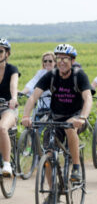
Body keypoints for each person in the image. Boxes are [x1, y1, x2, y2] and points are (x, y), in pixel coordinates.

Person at [22, 44, 93, 189]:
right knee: (48, 156)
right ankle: (52, 191)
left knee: (70, 126)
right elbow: (33, 97)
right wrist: (26, 116)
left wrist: (83, 118)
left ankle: (76, 167)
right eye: (58, 58)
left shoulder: (79, 75)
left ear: (72, 60)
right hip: (55, 119)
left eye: (65, 58)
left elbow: (88, 98)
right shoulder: (51, 75)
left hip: (76, 118)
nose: (61, 61)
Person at [0, 38, 19, 177]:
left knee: (2, 128)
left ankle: (7, 164)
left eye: (0, 51)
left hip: (8, 107)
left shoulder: (12, 69)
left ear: (7, 53)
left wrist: (13, 98)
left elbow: (14, 85)